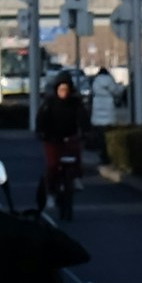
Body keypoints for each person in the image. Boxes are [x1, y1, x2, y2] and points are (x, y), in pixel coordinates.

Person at [34, 62, 96, 222]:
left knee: (76, 159)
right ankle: (50, 192)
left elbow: (83, 118)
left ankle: (74, 179)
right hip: (52, 139)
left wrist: (86, 131)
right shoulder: (49, 103)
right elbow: (41, 119)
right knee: (53, 165)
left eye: (66, 89)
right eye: (61, 89)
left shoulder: (75, 103)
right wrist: (41, 132)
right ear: (56, 89)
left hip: (70, 138)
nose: (64, 92)